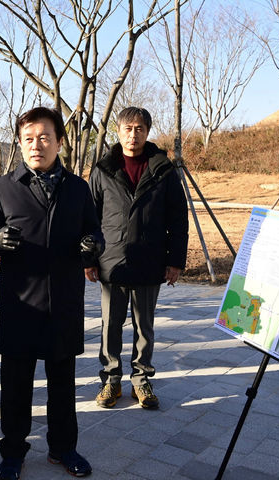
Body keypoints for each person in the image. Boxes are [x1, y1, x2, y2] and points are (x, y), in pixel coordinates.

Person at [0, 107, 104, 480]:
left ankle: (63, 448)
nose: (36, 145)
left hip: (63, 304)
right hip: (20, 306)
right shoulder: (2, 187)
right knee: (15, 387)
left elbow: (96, 232)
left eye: (44, 137)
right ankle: (13, 452)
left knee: (62, 385)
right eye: (28, 138)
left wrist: (92, 244)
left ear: (59, 141)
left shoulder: (78, 188)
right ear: (19, 142)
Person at [86, 106, 188, 410]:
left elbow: (178, 218)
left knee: (145, 325)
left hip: (149, 258)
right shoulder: (102, 169)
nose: (134, 134)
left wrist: (175, 260)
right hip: (112, 260)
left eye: (140, 128)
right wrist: (88, 259)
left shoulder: (163, 169)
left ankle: (141, 381)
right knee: (110, 324)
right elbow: (89, 218)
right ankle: (111, 380)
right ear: (119, 131)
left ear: (148, 131)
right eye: (128, 128)